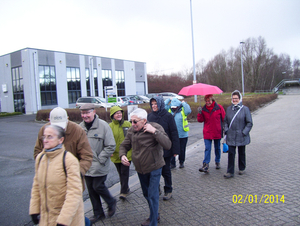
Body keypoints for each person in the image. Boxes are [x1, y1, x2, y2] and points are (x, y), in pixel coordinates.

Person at [119, 108, 171, 226]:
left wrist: (154, 132)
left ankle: (153, 222)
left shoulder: (155, 127)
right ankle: (155, 214)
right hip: (140, 169)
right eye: (131, 121)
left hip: (155, 167)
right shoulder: (132, 131)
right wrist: (122, 155)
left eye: (135, 121)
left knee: (153, 195)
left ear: (144, 121)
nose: (133, 124)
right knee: (146, 194)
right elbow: (124, 145)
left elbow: (168, 145)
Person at [29, 124, 85, 226]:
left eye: (50, 137)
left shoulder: (69, 160)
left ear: (61, 140)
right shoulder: (40, 158)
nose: (45, 140)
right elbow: (36, 185)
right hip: (46, 219)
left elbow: (74, 192)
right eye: (44, 136)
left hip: (67, 220)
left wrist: (64, 220)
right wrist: (34, 209)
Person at [34, 107, 93, 190]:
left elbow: (87, 156)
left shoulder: (78, 131)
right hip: (49, 183)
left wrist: (76, 173)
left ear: (67, 119)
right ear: (49, 121)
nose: (59, 131)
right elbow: (37, 152)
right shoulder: (44, 130)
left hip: (72, 183)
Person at [79, 103, 117, 224]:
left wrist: (100, 159)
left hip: (100, 164)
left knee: (97, 186)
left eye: (87, 113)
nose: (85, 116)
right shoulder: (80, 128)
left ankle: (111, 202)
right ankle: (98, 213)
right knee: (91, 190)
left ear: (94, 112)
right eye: (82, 113)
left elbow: (111, 145)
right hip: (86, 165)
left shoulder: (103, 126)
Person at [147, 96, 179, 201]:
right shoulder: (150, 116)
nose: (154, 106)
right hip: (154, 149)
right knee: (154, 171)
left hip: (165, 148)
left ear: (160, 104)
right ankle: (157, 189)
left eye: (156, 104)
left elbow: (174, 132)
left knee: (166, 171)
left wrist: (175, 150)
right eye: (152, 104)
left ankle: (168, 189)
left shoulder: (168, 116)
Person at [223, 90, 253, 178]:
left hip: (241, 135)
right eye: (233, 98)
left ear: (239, 99)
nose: (234, 100)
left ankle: (242, 168)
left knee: (241, 152)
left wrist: (244, 132)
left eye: (236, 98)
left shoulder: (245, 109)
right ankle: (230, 171)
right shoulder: (229, 109)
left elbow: (249, 123)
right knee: (231, 153)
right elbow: (225, 122)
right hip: (231, 135)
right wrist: (227, 130)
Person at [197, 94, 226, 173]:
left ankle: (217, 161)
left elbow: (224, 118)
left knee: (217, 148)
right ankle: (206, 164)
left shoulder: (219, 107)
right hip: (207, 132)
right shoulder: (203, 109)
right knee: (207, 148)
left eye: (209, 101)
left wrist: (225, 129)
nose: (207, 102)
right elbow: (200, 120)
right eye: (206, 101)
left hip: (217, 131)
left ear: (212, 100)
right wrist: (199, 113)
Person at [109, 106, 132, 200]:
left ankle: (123, 192)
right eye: (116, 113)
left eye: (120, 113)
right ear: (112, 115)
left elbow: (133, 137)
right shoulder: (109, 127)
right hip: (115, 154)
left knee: (124, 173)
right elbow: (107, 140)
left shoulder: (127, 124)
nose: (119, 114)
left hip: (127, 154)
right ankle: (126, 187)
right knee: (120, 173)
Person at [165, 97, 191, 169]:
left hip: (183, 134)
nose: (173, 108)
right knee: (172, 149)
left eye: (175, 107)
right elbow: (164, 106)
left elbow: (188, 111)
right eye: (172, 107)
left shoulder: (183, 110)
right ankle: (172, 164)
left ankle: (181, 162)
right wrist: (169, 100)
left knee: (182, 149)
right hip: (172, 135)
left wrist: (184, 103)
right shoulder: (169, 111)